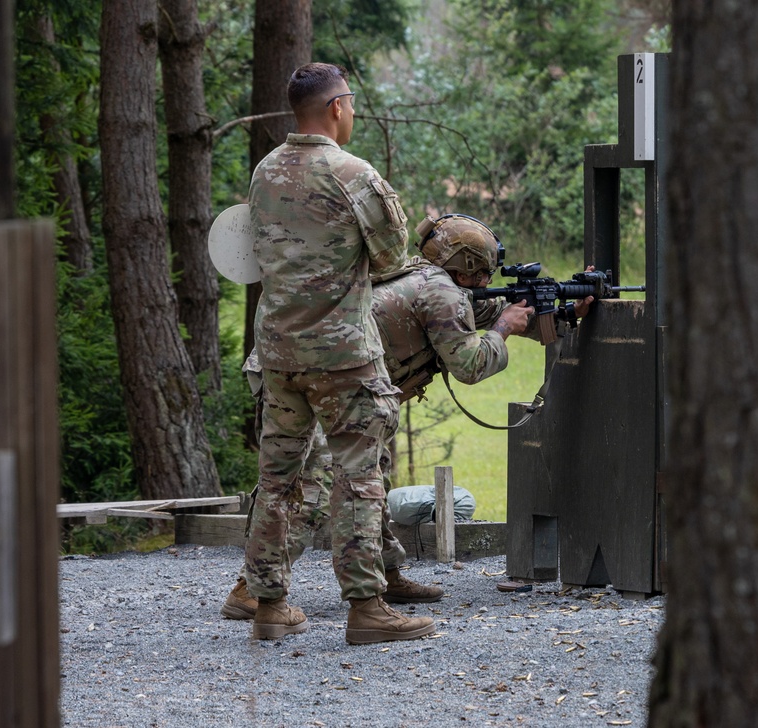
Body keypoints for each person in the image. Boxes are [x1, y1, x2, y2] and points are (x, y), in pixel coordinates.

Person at [225, 213, 594, 622]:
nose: (488, 280)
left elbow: (493, 313)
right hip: (316, 376)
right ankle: (251, 590)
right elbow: (470, 365)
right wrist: (504, 330)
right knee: (312, 488)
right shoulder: (442, 293)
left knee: (371, 475)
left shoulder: (431, 279)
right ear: (467, 270)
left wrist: (564, 311)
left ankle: (386, 575)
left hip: (314, 370)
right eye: (484, 272)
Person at [245, 61, 433, 645]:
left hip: (278, 354)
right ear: (336, 107)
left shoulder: (264, 171)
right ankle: (367, 608)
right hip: (343, 355)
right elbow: (392, 258)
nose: (351, 113)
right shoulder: (352, 172)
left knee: (277, 479)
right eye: (349, 104)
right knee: (358, 478)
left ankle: (268, 604)